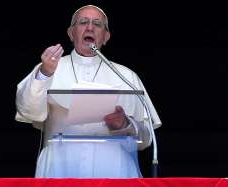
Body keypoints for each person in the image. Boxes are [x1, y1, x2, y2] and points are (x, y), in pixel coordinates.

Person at [15, 5, 162, 178]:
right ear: (71, 33)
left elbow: (145, 140)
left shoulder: (126, 76)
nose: (90, 27)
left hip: (114, 169)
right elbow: (28, 111)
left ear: (106, 37)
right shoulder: (50, 68)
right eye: (83, 22)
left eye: (97, 24)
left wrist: (125, 125)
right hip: (60, 167)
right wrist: (45, 73)